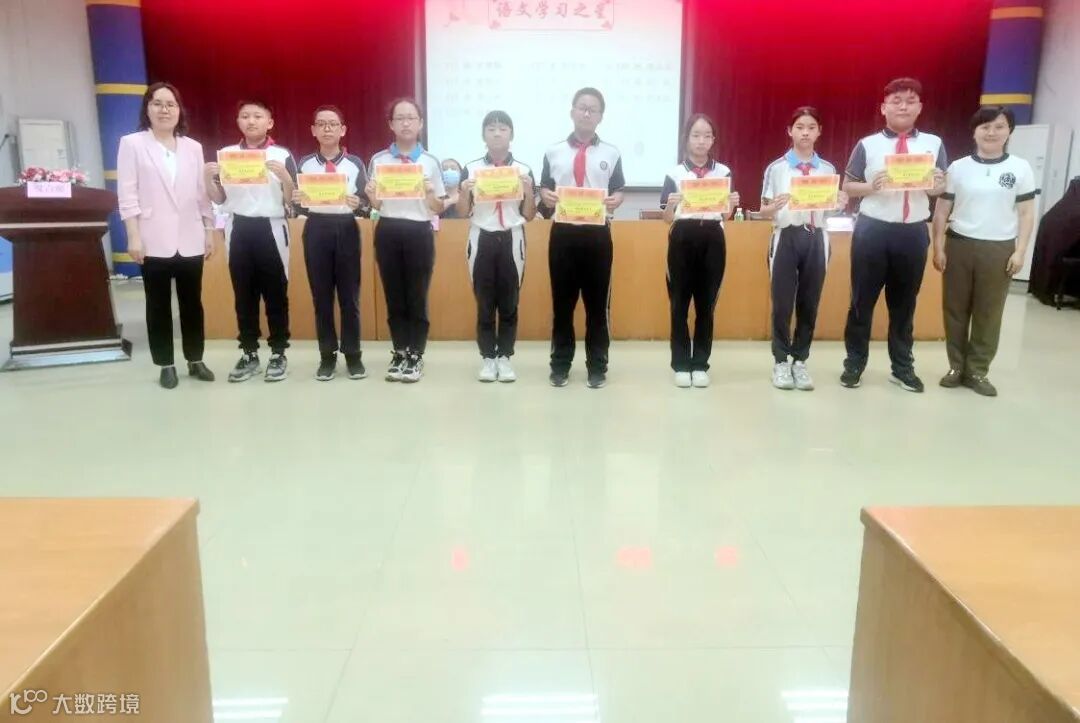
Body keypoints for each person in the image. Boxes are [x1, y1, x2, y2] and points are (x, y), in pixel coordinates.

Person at [841, 77, 947, 392]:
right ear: (883, 107)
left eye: (910, 101)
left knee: (904, 305)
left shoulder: (933, 143)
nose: (903, 106)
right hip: (873, 229)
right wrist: (871, 186)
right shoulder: (868, 144)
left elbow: (939, 189)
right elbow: (848, 186)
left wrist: (936, 183)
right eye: (896, 101)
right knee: (861, 301)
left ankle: (902, 367)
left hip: (913, 231)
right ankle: (854, 363)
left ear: (920, 108)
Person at [117, 82, 216, 389]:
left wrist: (209, 230)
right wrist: (133, 236)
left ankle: (195, 358)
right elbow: (127, 194)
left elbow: (202, 194)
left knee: (192, 304)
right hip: (152, 239)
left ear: (179, 110)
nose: (164, 110)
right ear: (147, 109)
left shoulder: (193, 147)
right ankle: (165, 364)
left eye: (170, 104)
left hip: (190, 237)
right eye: (157, 103)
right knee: (157, 305)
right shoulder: (132, 144)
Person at [931, 106, 1036, 397]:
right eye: (985, 127)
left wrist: (1020, 251)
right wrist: (938, 246)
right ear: (974, 132)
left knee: (989, 312)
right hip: (960, 244)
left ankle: (977, 370)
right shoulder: (958, 167)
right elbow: (942, 210)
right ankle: (956, 367)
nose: (991, 133)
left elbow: (1026, 213)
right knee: (955, 309)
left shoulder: (1020, 168)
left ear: (1009, 131)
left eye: (999, 126)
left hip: (999, 248)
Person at [539, 87, 625, 389]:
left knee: (597, 306)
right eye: (582, 107)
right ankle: (560, 365)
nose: (587, 113)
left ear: (600, 116)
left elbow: (618, 190)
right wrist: (545, 196)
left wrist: (616, 199)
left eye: (593, 109)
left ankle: (597, 366)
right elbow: (544, 190)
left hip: (597, 236)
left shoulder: (611, 153)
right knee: (562, 305)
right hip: (563, 235)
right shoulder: (553, 151)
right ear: (572, 112)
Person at [205, 99, 296, 383]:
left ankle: (278, 352)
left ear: (270, 122)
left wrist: (285, 178)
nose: (251, 121)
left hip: (272, 227)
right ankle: (249, 353)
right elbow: (220, 198)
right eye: (245, 116)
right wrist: (208, 179)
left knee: (276, 293)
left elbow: (291, 201)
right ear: (238, 122)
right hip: (238, 229)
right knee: (243, 294)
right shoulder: (227, 155)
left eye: (258, 116)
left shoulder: (281, 155)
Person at [760, 106, 848, 391]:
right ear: (790, 131)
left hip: (817, 237)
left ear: (819, 131)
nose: (805, 133)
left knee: (810, 302)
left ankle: (800, 360)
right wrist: (773, 207)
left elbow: (829, 209)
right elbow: (764, 209)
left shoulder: (827, 169)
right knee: (782, 304)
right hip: (786, 236)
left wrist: (840, 203)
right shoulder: (776, 168)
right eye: (800, 127)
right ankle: (780, 361)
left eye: (811, 127)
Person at [366, 98, 447, 383]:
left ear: (420, 123)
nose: (405, 123)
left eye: (411, 117)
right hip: (388, 229)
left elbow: (438, 207)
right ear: (391, 124)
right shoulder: (379, 160)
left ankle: (416, 354)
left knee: (417, 294)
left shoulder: (430, 162)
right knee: (394, 294)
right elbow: (377, 205)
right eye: (399, 118)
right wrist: (371, 195)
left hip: (419, 231)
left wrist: (430, 193)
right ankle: (399, 350)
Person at [659, 113, 740, 388]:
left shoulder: (723, 172)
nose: (701, 141)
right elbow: (666, 218)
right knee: (679, 304)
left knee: (706, 305)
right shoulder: (674, 173)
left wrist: (732, 203)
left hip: (713, 238)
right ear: (687, 138)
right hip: (682, 237)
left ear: (713, 140)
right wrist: (672, 204)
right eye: (696, 135)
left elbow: (726, 216)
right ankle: (681, 364)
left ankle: (701, 364)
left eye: (707, 135)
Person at [457, 110, 538, 382]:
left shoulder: (523, 170)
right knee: (484, 302)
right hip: (481, 237)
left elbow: (529, 214)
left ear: (511, 134)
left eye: (503, 128)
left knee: (510, 301)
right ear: (484, 135)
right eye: (491, 128)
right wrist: (464, 191)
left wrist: (528, 191)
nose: (497, 133)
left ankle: (505, 357)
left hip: (512, 238)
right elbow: (461, 212)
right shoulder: (471, 169)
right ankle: (487, 358)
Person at [294, 105, 369, 382]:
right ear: (313, 130)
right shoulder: (305, 164)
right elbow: (298, 205)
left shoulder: (355, 163)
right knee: (321, 297)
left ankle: (353, 355)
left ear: (343, 130)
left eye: (333, 124)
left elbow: (366, 202)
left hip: (346, 228)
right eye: (321, 124)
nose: (327, 129)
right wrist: (297, 200)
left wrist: (359, 202)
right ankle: (327, 356)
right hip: (316, 228)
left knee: (350, 297)